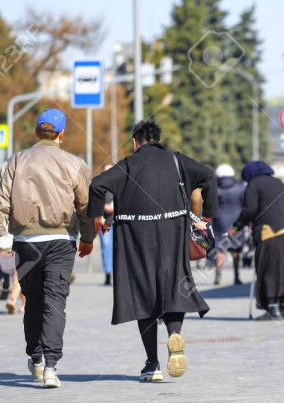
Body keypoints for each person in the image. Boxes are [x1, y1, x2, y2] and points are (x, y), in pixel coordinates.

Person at [88, 120, 218, 382]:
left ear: (135, 142)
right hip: (174, 234)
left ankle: (152, 364)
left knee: (143, 295)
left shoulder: (127, 164)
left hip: (136, 239)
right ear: (158, 138)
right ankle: (174, 334)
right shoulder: (176, 161)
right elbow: (208, 177)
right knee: (174, 285)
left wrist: (98, 218)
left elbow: (97, 186)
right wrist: (208, 215)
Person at [0, 108, 95, 388]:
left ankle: (38, 359)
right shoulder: (75, 163)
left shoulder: (16, 161)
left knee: (32, 301)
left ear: (35, 132)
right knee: (55, 300)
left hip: (26, 243)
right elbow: (86, 206)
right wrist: (88, 238)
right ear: (61, 134)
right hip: (61, 241)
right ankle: (52, 366)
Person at [230, 161, 284, 320]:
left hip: (271, 232)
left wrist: (237, 226)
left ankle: (273, 309)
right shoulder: (279, 183)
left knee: (270, 269)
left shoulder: (254, 184)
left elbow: (249, 210)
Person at [212, 163, 245, 286]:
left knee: (220, 248)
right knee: (236, 247)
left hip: (220, 220)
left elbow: (211, 205)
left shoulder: (215, 188)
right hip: (236, 221)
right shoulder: (240, 187)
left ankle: (218, 275)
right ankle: (236, 276)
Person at [100, 164, 114, 286]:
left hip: (118, 221)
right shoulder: (100, 186)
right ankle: (108, 274)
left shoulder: (120, 185)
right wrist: (105, 206)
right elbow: (94, 202)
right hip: (105, 222)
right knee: (106, 246)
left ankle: (118, 274)